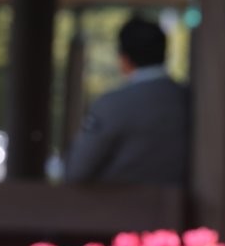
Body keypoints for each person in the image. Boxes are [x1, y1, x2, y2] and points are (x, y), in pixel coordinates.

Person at [65, 16, 190, 185]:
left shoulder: (112, 105)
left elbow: (78, 169)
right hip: (181, 206)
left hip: (118, 207)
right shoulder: (187, 98)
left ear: (124, 58)